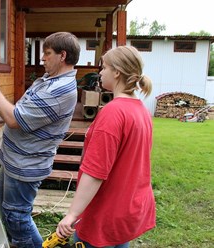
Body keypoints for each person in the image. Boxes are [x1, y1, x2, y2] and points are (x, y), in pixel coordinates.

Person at [0, 32, 81, 248]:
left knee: (17, 217)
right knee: (6, 210)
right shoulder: (46, 81)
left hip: (25, 166)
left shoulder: (59, 90)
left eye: (47, 54)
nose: (42, 58)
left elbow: (14, 119)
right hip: (14, 161)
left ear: (62, 55)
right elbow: (16, 113)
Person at [56, 46, 156, 248]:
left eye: (104, 68)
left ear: (117, 72)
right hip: (125, 213)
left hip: (103, 216)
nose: (100, 73)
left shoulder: (113, 113)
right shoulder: (141, 111)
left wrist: (72, 214)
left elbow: (95, 171)